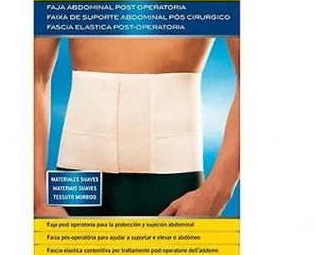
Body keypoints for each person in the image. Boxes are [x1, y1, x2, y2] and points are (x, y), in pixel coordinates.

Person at [34, 37, 239, 217]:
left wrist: (217, 193)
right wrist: (38, 199)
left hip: (172, 181)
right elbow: (35, 75)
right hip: (76, 180)